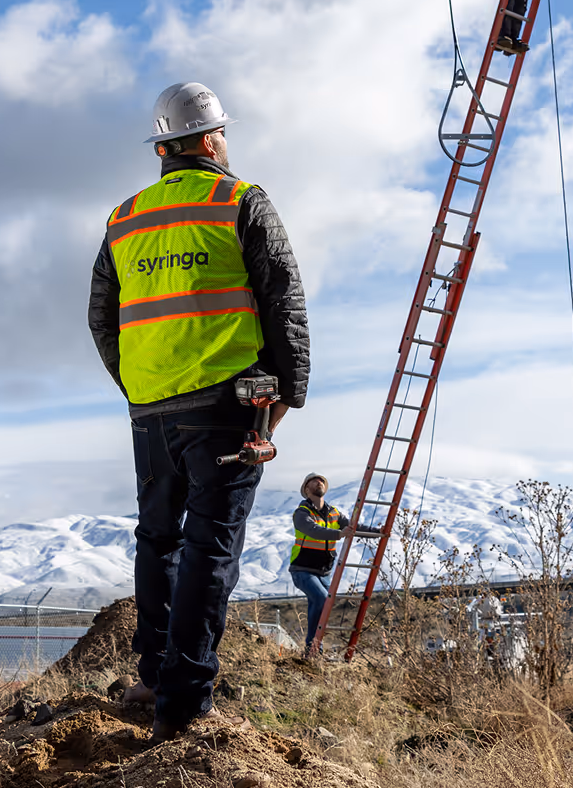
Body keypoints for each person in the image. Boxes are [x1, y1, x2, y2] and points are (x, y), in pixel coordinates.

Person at [89, 81, 310, 743]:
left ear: (163, 147)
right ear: (213, 138)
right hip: (226, 405)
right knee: (210, 547)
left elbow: (104, 319)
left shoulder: (124, 218)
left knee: (158, 541)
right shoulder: (240, 199)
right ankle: (183, 706)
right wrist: (289, 394)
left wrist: (139, 385)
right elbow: (283, 299)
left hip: (153, 409)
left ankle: (157, 675)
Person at [287, 473, 378, 658]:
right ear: (306, 489)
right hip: (302, 570)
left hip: (324, 571)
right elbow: (314, 531)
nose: (319, 482)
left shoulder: (334, 513)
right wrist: (339, 534)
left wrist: (378, 532)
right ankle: (313, 649)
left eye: (321, 481)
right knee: (320, 598)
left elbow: (353, 526)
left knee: (325, 606)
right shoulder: (302, 513)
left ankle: (314, 650)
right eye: (314, 481)